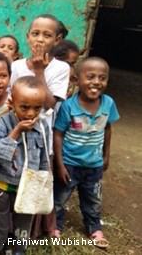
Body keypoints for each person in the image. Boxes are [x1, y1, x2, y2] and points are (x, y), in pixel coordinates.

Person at [10, 14, 69, 239]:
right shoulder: (15, 66)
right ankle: (6, 229)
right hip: (17, 133)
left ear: (57, 39)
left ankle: (27, 233)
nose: (40, 40)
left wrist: (39, 72)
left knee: (36, 179)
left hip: (41, 137)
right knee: (13, 176)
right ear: (27, 37)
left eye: (47, 35)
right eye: (35, 34)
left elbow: (50, 104)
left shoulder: (60, 68)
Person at [53, 57, 119, 249]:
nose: (97, 82)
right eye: (90, 77)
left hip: (94, 164)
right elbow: (58, 134)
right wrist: (60, 164)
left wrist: (106, 155)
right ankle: (55, 225)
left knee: (93, 198)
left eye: (102, 78)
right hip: (70, 163)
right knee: (60, 197)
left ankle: (94, 227)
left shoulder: (108, 104)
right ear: (76, 80)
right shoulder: (69, 107)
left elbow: (107, 128)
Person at [0, 76, 50, 255]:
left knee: (23, 224)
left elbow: (45, 155)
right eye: (24, 107)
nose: (31, 113)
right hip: (3, 186)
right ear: (12, 102)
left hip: (29, 188)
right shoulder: (4, 122)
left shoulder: (43, 125)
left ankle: (18, 250)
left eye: (37, 108)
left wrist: (44, 179)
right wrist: (16, 132)